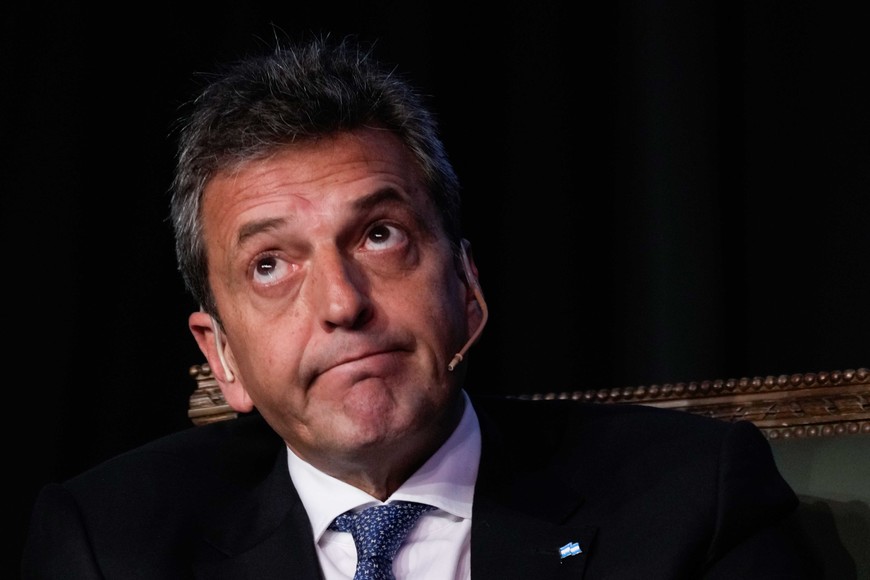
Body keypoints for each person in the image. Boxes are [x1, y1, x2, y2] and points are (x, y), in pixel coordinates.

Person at [21, 34, 814, 579]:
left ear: (466, 287)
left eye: (379, 236)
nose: (342, 303)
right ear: (221, 356)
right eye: (271, 265)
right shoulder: (108, 546)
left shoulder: (695, 500)